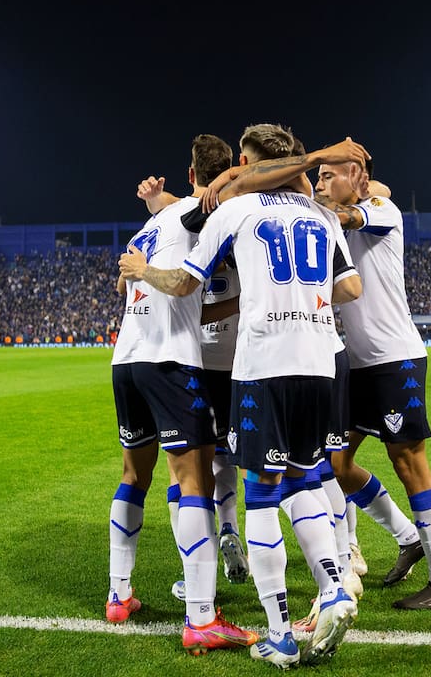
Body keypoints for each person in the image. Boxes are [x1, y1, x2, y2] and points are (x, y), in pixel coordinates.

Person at [121, 123, 364, 668]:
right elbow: (350, 286)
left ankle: (279, 634)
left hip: (262, 365)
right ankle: (333, 587)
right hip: (321, 362)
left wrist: (141, 269)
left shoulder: (235, 211)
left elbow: (183, 284)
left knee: (262, 494)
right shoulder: (323, 216)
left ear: (250, 166)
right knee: (305, 476)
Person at [105, 133, 256, 656]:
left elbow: (124, 285)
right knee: (193, 480)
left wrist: (155, 202)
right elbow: (237, 186)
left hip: (126, 359)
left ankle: (119, 595)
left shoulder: (152, 224)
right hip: (170, 360)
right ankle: (201, 618)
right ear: (214, 181)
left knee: (133, 475)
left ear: (188, 173)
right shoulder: (202, 212)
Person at [312, 157, 431, 611]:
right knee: (337, 463)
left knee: (408, 460)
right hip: (358, 364)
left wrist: (331, 202)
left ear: (356, 176)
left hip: (395, 359)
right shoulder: (340, 219)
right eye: (317, 177)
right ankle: (407, 536)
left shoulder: (381, 210)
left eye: (327, 175)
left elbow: (350, 214)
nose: (319, 183)